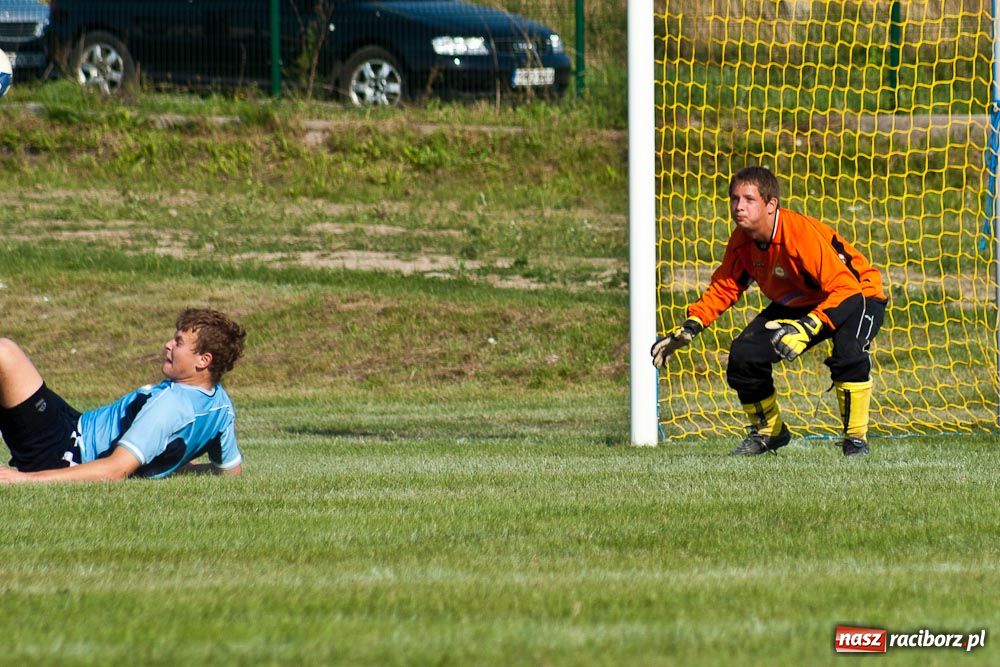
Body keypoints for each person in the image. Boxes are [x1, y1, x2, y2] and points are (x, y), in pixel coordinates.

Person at [651, 166, 887, 457]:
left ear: (771, 204)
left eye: (749, 199)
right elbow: (725, 286)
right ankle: (769, 432)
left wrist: (807, 326)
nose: (739, 206)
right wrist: (692, 324)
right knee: (744, 355)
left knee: (849, 354)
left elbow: (845, 288)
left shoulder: (798, 233)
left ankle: (856, 441)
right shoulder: (741, 241)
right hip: (803, 300)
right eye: (734, 198)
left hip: (857, 294)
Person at [0, 308, 246, 483]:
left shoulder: (170, 406)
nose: (168, 344)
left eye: (178, 342)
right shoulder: (220, 404)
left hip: (65, 452)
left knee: (5, 354)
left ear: (203, 360)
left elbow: (115, 470)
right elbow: (229, 472)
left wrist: (24, 479)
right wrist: (171, 467)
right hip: (75, 423)